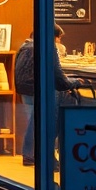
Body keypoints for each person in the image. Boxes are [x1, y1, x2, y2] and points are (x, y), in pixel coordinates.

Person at [15, 24, 77, 166]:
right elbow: (58, 76)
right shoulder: (48, 47)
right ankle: (37, 155)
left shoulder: (25, 46)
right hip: (40, 89)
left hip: (25, 89)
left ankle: (29, 154)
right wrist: (73, 83)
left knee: (32, 122)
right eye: (59, 38)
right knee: (42, 123)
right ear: (53, 36)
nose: (59, 41)